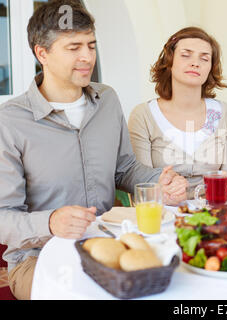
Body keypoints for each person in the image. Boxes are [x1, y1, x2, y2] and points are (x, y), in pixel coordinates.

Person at [0, 1, 187, 300]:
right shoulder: (10, 120)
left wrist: (158, 182)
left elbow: (125, 168)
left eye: (91, 45)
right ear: (41, 53)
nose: (87, 57)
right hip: (38, 257)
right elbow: (3, 216)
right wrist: (50, 222)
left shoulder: (108, 99)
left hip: (107, 243)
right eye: (73, 47)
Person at [128, 27, 227, 198]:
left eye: (204, 58)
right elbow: (142, 183)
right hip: (163, 214)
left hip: (213, 213)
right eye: (186, 55)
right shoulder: (143, 115)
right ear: (170, 60)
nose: (195, 63)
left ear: (211, 68)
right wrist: (166, 194)